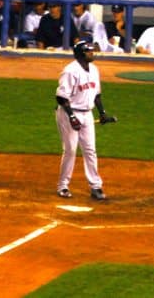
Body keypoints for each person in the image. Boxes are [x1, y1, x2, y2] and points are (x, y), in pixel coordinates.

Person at [55, 41, 117, 201]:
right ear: (81, 54)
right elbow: (61, 97)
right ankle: (63, 186)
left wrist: (102, 112)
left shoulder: (94, 70)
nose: (92, 53)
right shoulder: (70, 71)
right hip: (69, 112)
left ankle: (96, 187)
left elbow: (96, 94)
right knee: (70, 150)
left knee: (90, 150)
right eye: (89, 51)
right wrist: (72, 117)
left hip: (87, 113)